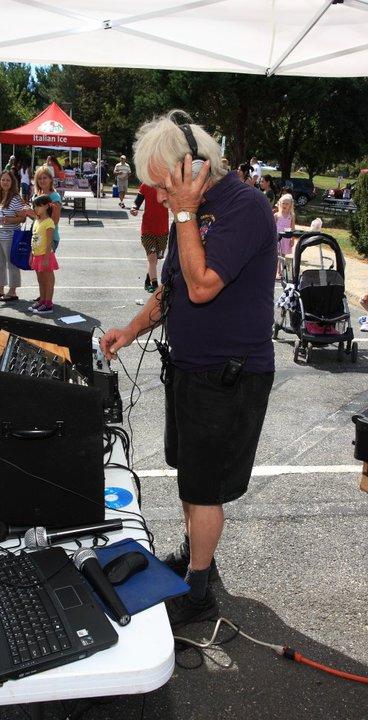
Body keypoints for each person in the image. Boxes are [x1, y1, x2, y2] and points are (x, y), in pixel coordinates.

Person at [100, 110, 276, 629]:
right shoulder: (190, 209)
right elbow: (172, 290)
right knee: (189, 476)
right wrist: (129, 332)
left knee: (203, 488)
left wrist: (183, 214)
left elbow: (201, 285)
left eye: (160, 185)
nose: (155, 196)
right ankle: (201, 561)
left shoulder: (244, 206)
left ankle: (198, 596)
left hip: (229, 375)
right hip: (189, 369)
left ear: (192, 167)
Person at [0, 170, 26, 302]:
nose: (5, 182)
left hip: (10, 236)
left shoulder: (16, 198)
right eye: (3, 180)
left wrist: (10, 219)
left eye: (8, 180)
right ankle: (0, 289)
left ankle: (12, 291)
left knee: (12, 264)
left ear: (12, 182)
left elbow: (23, 218)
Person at [25, 166, 62, 304]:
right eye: (39, 178)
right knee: (39, 269)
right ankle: (43, 296)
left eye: (44, 177)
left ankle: (48, 300)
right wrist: (30, 214)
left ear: (51, 179)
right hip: (37, 236)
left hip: (49, 237)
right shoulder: (36, 195)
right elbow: (38, 218)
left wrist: (33, 214)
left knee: (46, 269)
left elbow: (54, 221)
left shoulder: (54, 197)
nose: (42, 180)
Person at [130, 183, 169, 292]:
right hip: (148, 229)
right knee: (152, 258)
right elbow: (137, 201)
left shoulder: (168, 184)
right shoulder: (146, 185)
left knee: (155, 260)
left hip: (163, 229)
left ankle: (148, 280)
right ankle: (155, 285)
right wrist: (134, 208)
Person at [28, 194, 59, 314]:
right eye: (34, 206)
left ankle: (48, 303)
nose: (36, 209)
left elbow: (49, 241)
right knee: (40, 280)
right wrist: (32, 254)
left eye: (38, 206)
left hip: (46, 255)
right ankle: (42, 300)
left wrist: (46, 257)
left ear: (46, 206)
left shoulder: (49, 222)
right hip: (37, 255)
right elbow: (34, 239)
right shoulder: (37, 221)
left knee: (48, 280)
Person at [274, 193, 296, 278]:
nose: (285, 205)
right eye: (283, 203)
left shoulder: (291, 216)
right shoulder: (276, 215)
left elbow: (293, 228)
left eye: (287, 204)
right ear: (280, 203)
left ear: (290, 205)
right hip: (277, 238)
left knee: (283, 256)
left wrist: (292, 239)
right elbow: (272, 228)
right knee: (276, 256)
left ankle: (281, 272)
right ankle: (275, 272)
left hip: (286, 238)